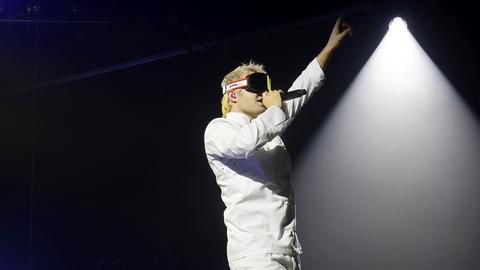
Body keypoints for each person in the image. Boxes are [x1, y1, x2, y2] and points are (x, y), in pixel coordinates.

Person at [204, 17, 352, 269]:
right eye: (256, 86)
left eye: (266, 84)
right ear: (233, 94)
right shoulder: (219, 129)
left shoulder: (270, 126)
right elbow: (244, 143)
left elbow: (302, 91)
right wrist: (274, 110)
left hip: (287, 249)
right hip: (255, 253)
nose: (264, 92)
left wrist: (328, 51)